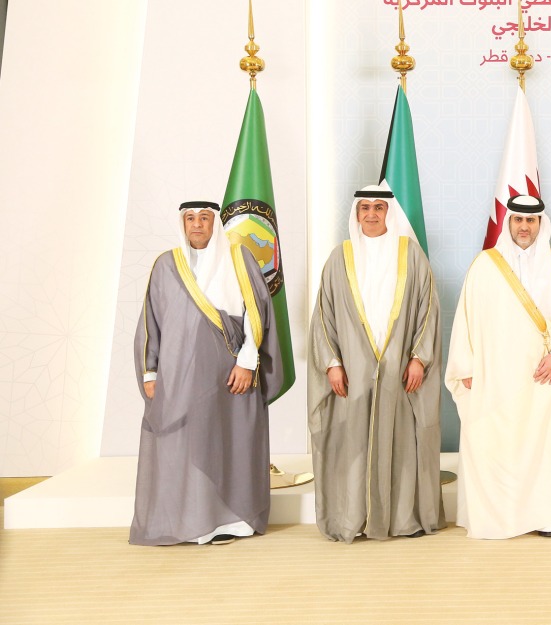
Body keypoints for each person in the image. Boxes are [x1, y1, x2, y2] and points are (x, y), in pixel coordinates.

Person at [131, 200, 282, 546]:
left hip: (230, 376)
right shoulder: (166, 264)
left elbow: (255, 313)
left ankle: (234, 522)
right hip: (179, 377)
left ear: (215, 223)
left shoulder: (239, 259)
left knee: (230, 444)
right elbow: (150, 322)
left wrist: (247, 363)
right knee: (186, 446)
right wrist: (150, 372)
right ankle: (190, 522)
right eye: (190, 218)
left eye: (204, 218)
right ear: (182, 224)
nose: (197, 225)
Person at [308, 184, 443, 542]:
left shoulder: (410, 254)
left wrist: (419, 358)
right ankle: (354, 519)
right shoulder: (340, 257)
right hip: (351, 371)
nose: (370, 214)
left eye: (378, 208)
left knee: (401, 441)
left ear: (389, 213)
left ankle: (403, 520)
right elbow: (323, 316)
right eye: (364, 208)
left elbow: (428, 310)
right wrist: (332, 363)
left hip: (400, 369)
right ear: (356, 213)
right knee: (351, 442)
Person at [447, 195, 551, 538]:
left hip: (544, 374)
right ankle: (498, 517)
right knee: (496, 443)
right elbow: (464, 318)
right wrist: (466, 366)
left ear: (541, 224)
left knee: (545, 445)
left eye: (531, 220)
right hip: (495, 375)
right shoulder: (485, 264)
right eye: (518, 220)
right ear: (509, 223)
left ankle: (544, 517)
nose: (524, 226)